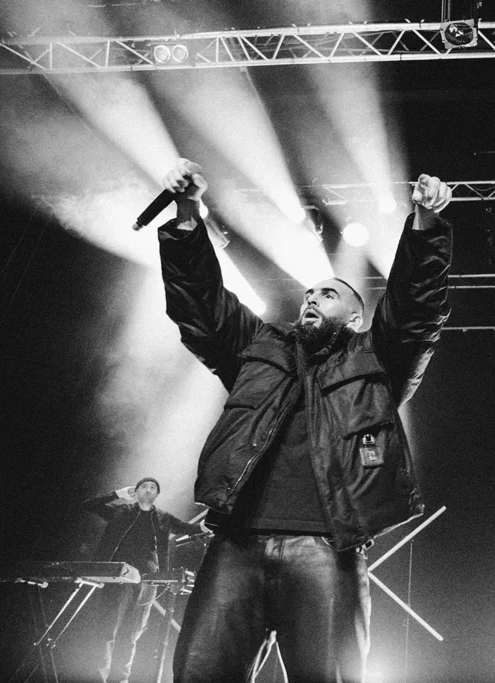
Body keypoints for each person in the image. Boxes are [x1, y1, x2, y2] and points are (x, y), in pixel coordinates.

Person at [156, 158, 452, 683]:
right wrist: (186, 212)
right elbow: (199, 306)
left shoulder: (375, 360)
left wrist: (425, 226)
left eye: (329, 294)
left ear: (356, 317)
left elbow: (415, 310)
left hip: (326, 550)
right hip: (237, 543)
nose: (313, 297)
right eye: (311, 292)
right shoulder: (259, 347)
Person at [82, 477, 205, 683]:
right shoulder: (121, 511)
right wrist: (116, 495)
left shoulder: (163, 517)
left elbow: (188, 528)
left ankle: (121, 679)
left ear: (157, 494)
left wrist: (204, 527)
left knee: (132, 633)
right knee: (108, 628)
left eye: (153, 487)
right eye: (144, 487)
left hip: (148, 580)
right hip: (120, 577)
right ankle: (98, 678)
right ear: (136, 491)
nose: (148, 490)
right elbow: (88, 505)